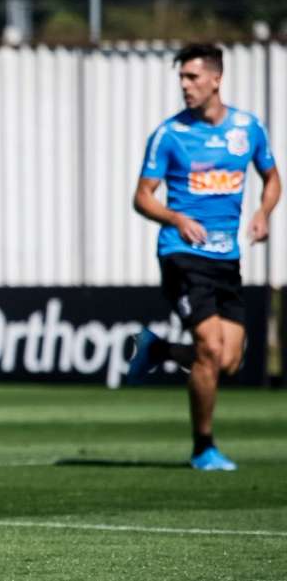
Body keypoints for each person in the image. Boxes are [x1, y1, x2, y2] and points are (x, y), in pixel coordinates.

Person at [128, 43, 281, 471]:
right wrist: (175, 217)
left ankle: (158, 351)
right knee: (211, 347)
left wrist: (263, 213)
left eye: (192, 77)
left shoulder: (248, 129)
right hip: (181, 255)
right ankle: (203, 448)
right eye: (181, 78)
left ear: (216, 78)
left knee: (229, 359)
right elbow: (141, 197)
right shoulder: (169, 134)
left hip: (226, 258)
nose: (184, 85)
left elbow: (272, 178)